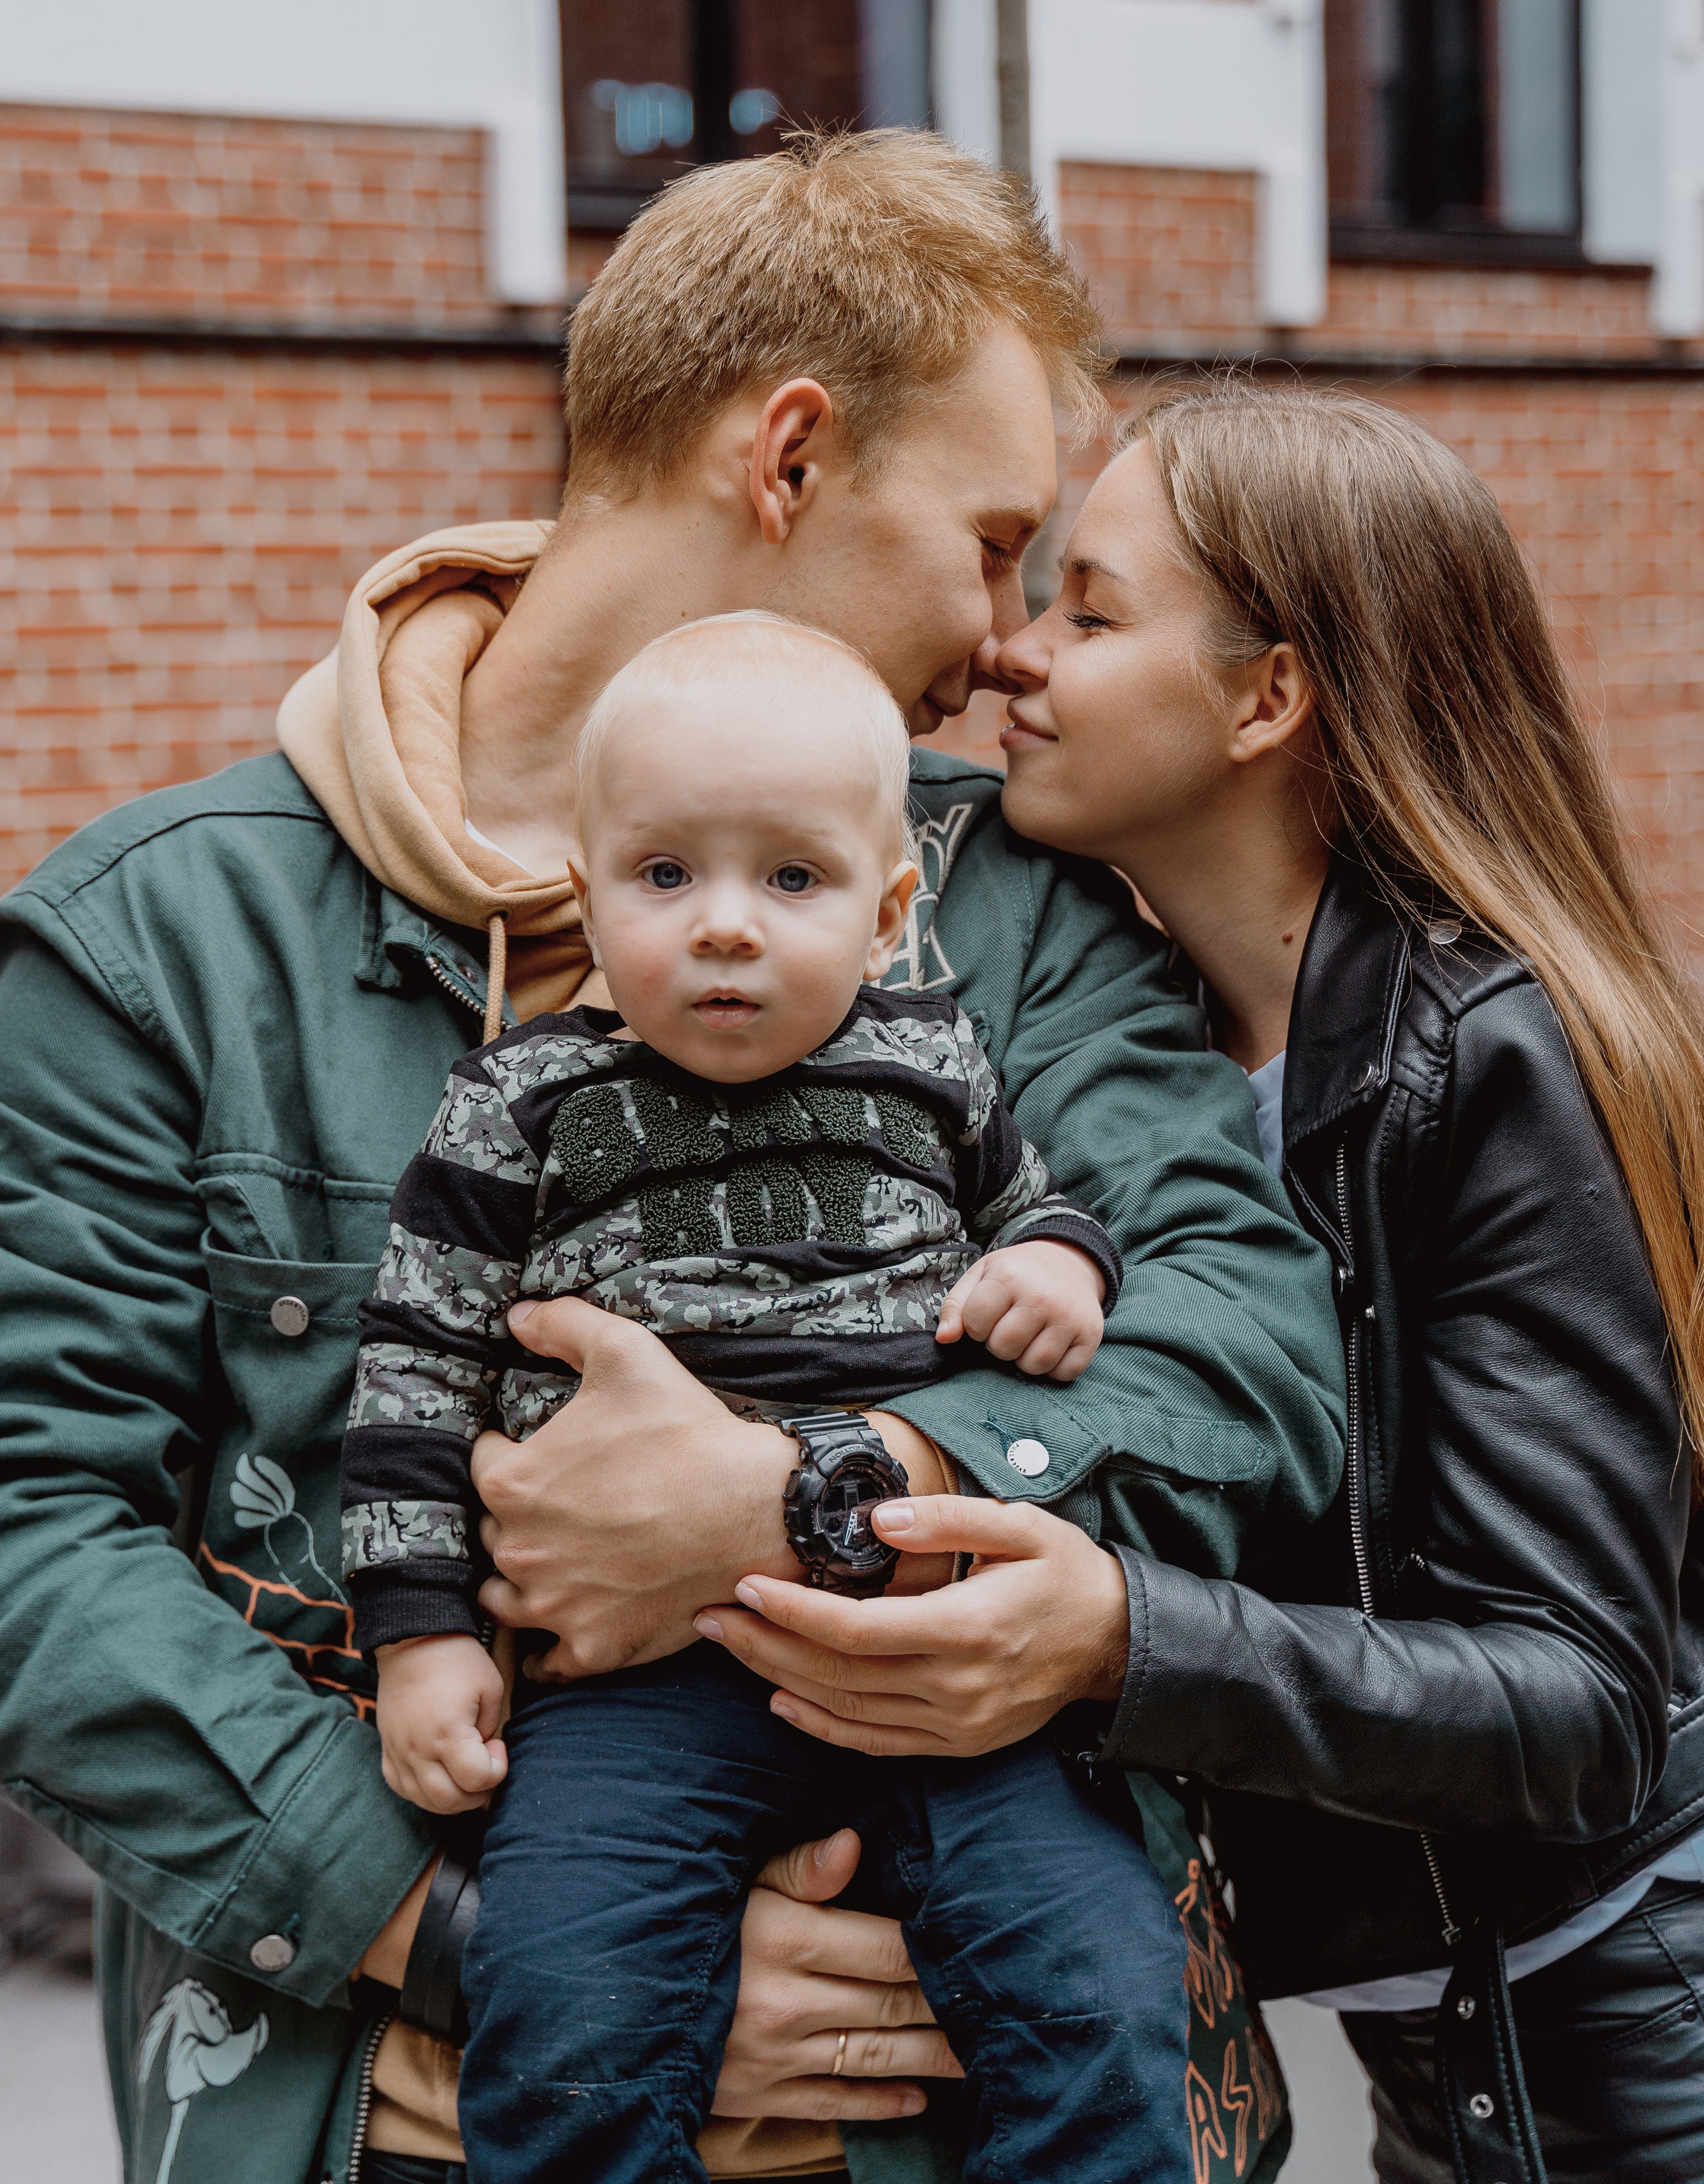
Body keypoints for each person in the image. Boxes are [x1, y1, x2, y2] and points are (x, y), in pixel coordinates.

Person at [0, 138, 1342, 2184]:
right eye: (992, 541)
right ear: (791, 458)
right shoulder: (152, 949)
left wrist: (835, 1487)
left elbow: (1254, 1350)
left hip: (999, 2112)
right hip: (414, 2119)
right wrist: (486, 1950)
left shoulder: (1001, 909)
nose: (1002, 639)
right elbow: (31, 1529)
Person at [705, 382, 1704, 2183]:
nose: (1014, 653)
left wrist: (1116, 1636)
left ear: (1269, 695)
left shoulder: (1491, 1062)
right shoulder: (1131, 1051)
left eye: (1088, 610)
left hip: (1624, 2041)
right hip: (1447, 2034)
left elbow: (1583, 1701)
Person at [348, 610, 1191, 2184]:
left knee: (1101, 1988)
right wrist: (423, 1630)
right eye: (665, 875)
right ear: (585, 890)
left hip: (942, 1666)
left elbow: (1040, 1211)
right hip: (638, 1684)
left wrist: (1062, 1269)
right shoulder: (518, 1104)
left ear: (884, 913)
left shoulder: (934, 1065)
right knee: (565, 2001)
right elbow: (413, 1368)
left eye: (789, 879)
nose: (724, 925)